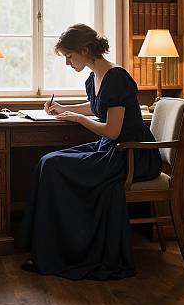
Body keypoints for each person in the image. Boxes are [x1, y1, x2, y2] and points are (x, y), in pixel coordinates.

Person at [18, 24, 162, 280]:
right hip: (113, 149)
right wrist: (64, 108)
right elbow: (97, 106)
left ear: (85, 50)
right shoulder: (93, 77)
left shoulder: (116, 77)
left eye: (69, 56)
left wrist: (76, 119)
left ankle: (64, 252)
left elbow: (112, 130)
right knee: (47, 161)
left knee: (54, 167)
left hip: (131, 153)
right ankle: (49, 249)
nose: (67, 63)